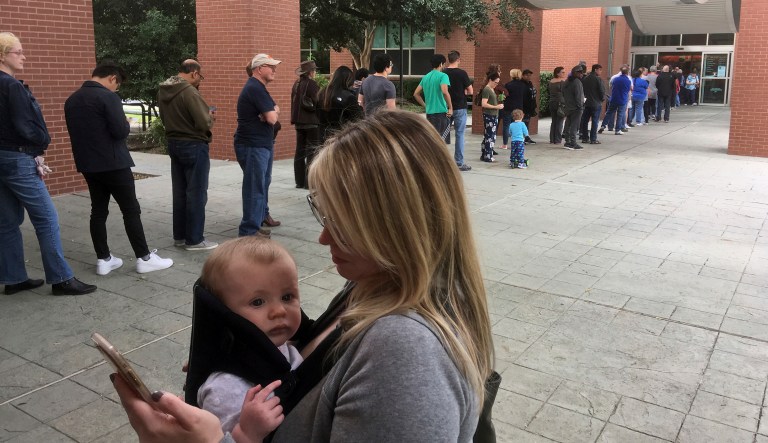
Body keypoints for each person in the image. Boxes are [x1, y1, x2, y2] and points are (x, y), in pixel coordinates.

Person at [113, 109, 494, 443]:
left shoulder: (407, 353)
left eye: (343, 224)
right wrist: (247, 356)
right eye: (324, 215)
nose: (323, 236)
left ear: (397, 227)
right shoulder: (370, 286)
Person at [0, 31, 97, 296]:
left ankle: (13, 277)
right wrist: (42, 141)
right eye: (17, 52)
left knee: (7, 221)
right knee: (46, 217)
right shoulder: (11, 85)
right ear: (2, 55)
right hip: (17, 158)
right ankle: (61, 278)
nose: (23, 56)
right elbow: (25, 126)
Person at [64, 62, 174, 276]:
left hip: (88, 164)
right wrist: (125, 122)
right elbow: (119, 131)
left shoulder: (72, 100)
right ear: (112, 78)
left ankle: (104, 259)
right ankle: (144, 258)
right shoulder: (108, 97)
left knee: (98, 211)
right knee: (130, 210)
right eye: (118, 85)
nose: (117, 89)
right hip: (114, 163)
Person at [190, 237, 303, 436]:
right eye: (258, 302)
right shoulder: (225, 389)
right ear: (225, 314)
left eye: (287, 297)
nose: (278, 311)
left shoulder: (287, 350)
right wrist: (246, 434)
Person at [158, 59, 218, 251]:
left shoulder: (163, 90)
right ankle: (195, 239)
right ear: (194, 73)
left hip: (174, 143)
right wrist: (210, 117)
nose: (200, 79)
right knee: (196, 193)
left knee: (180, 192)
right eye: (200, 76)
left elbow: (163, 117)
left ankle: (180, 236)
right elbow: (203, 122)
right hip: (194, 144)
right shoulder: (190, 92)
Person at [234, 54, 283, 238]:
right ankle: (249, 231)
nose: (274, 69)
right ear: (259, 68)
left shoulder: (259, 88)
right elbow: (271, 117)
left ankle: (257, 221)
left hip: (262, 144)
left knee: (261, 184)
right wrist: (271, 113)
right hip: (253, 145)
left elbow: (274, 110)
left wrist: (272, 111)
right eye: (270, 66)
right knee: (255, 187)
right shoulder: (255, 88)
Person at [290, 60, 320, 190]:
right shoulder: (312, 84)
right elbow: (318, 102)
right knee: (311, 152)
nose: (315, 72)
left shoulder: (296, 84)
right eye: (314, 70)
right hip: (311, 121)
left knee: (299, 152)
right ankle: (309, 182)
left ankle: (299, 181)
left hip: (298, 122)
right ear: (310, 72)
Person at [443, 50, 473, 171]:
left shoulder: (443, 73)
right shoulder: (462, 73)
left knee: (443, 134)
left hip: (445, 107)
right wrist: (464, 91)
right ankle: (459, 162)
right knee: (460, 134)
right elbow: (470, 91)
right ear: (458, 60)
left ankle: (441, 161)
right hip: (460, 106)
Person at [413, 54, 452, 143]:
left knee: (432, 142)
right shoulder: (443, 76)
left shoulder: (426, 77)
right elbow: (445, 91)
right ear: (441, 64)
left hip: (429, 113)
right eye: (444, 64)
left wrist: (425, 105)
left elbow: (416, 94)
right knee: (441, 143)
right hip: (441, 113)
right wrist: (450, 107)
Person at [599, 66, 631, 135]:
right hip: (622, 99)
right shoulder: (628, 80)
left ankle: (603, 125)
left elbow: (611, 86)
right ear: (627, 72)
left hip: (614, 98)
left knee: (609, 113)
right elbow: (628, 90)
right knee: (620, 115)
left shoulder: (615, 79)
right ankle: (617, 130)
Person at [480, 72, 504, 162]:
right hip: (490, 115)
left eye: (498, 83)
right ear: (490, 80)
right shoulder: (487, 89)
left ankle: (485, 154)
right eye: (495, 82)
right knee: (490, 136)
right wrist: (496, 107)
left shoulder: (491, 89)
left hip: (493, 114)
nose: (496, 84)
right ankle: (488, 155)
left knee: (488, 135)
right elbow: (484, 103)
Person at [580, 64, 605, 144]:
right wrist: (602, 99)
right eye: (600, 70)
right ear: (596, 70)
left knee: (585, 121)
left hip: (587, 103)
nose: (601, 72)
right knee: (595, 121)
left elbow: (582, 90)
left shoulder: (585, 78)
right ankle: (593, 139)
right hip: (596, 103)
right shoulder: (598, 79)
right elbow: (601, 91)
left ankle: (584, 138)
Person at [562, 65, 585, 150]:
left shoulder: (567, 81)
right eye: (580, 73)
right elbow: (579, 96)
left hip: (568, 107)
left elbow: (563, 93)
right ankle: (573, 143)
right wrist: (580, 106)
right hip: (576, 108)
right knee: (574, 126)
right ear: (577, 73)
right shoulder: (577, 82)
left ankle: (567, 142)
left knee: (568, 125)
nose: (582, 74)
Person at [503, 69, 526, 150]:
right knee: (518, 125)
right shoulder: (523, 85)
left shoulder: (508, 85)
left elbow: (505, 95)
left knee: (506, 125)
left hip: (508, 107)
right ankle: (519, 141)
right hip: (518, 107)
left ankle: (505, 144)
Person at [548, 66, 567, 145]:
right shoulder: (562, 81)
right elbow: (565, 93)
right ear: (557, 73)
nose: (564, 73)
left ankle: (552, 139)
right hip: (560, 103)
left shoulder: (551, 81)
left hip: (552, 102)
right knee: (560, 122)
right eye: (562, 72)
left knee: (554, 121)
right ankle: (558, 140)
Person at [521, 69, 538, 144]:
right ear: (523, 75)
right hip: (524, 107)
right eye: (527, 75)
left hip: (530, 106)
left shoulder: (530, 83)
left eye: (530, 75)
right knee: (523, 123)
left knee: (527, 123)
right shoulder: (522, 84)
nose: (529, 77)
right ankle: (523, 138)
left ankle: (526, 137)